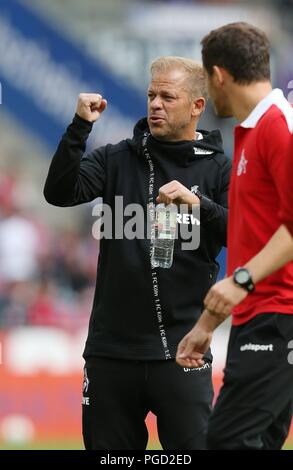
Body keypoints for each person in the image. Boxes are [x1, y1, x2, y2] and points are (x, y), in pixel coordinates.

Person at [44, 56, 231, 450]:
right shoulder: (117, 158)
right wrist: (79, 127)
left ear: (197, 106)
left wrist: (199, 206)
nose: (155, 104)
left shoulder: (218, 169)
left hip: (183, 352)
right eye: (151, 95)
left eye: (167, 96)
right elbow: (59, 193)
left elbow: (244, 235)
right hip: (110, 353)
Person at [176, 23, 293, 450]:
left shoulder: (279, 127)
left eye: (208, 79)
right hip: (259, 318)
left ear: (219, 75)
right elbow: (257, 240)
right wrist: (207, 325)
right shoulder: (252, 131)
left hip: (279, 318)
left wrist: (241, 280)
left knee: (227, 441)